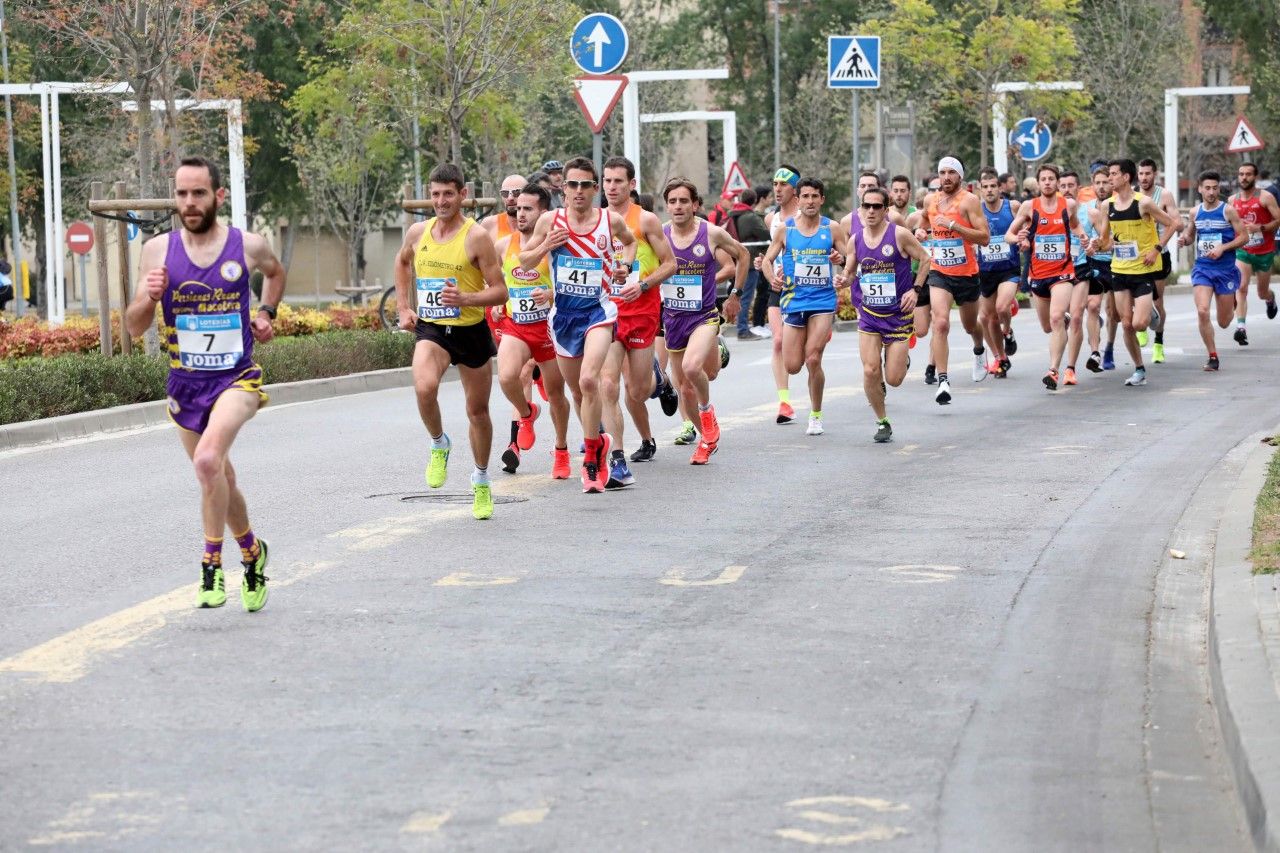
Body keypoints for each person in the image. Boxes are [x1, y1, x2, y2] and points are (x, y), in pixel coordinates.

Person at [123, 155, 285, 611]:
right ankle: (252, 553)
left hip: (236, 379)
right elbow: (134, 326)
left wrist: (266, 313)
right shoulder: (157, 251)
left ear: (218, 195)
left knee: (208, 460)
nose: (190, 202)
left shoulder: (247, 245)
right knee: (218, 475)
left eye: (198, 193)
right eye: (182, 194)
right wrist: (150, 297)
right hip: (185, 385)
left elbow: (275, 273)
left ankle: (211, 565)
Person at [393, 163, 508, 518]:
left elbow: (500, 291)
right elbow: (402, 263)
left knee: (478, 412)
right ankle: (439, 443)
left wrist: (466, 299)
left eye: (448, 194)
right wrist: (403, 307)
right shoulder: (418, 232)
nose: (441, 201)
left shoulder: (476, 237)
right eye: (435, 194)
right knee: (424, 387)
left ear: (462, 194)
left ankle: (481, 479)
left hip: (470, 330)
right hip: (432, 328)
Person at [520, 156, 637, 493]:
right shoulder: (550, 221)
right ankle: (598, 441)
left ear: (595, 188)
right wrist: (547, 245)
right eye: (572, 184)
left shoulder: (609, 220)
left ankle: (590, 460)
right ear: (564, 189)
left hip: (599, 313)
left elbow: (630, 243)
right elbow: (525, 261)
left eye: (586, 184)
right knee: (576, 391)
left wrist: (625, 266)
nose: (579, 190)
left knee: (589, 380)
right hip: (563, 318)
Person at [598, 155, 678, 484]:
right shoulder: (596, 221)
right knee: (607, 384)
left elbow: (670, 264)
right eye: (607, 181)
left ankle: (661, 381)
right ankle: (617, 458)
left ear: (631, 184)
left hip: (642, 311)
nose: (612, 187)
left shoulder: (645, 220)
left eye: (618, 181)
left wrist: (643, 285)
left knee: (638, 390)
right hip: (608, 312)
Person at [661, 178, 749, 463]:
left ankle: (707, 410)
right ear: (667, 206)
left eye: (684, 201)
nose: (678, 206)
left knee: (692, 369)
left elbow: (743, 255)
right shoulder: (660, 235)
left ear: (695, 205)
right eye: (672, 201)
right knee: (685, 389)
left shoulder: (710, 233)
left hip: (703, 316)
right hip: (673, 319)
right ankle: (706, 440)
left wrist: (735, 295)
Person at [490, 183, 573, 477]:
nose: (520, 213)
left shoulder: (559, 247)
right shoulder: (503, 245)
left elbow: (572, 287)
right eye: (518, 208)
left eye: (528, 209)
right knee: (507, 376)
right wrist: (498, 301)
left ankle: (561, 450)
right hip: (517, 326)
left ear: (544, 213)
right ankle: (527, 413)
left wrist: (549, 295)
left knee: (556, 394)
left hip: (549, 328)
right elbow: (497, 281)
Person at [841, 186, 931, 442]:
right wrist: (843, 280)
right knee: (870, 370)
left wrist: (915, 290)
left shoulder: (899, 234)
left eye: (876, 206)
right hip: (869, 314)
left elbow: (925, 259)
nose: (871, 211)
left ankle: (901, 360)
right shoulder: (855, 239)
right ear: (860, 209)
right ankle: (882, 421)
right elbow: (850, 271)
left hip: (898, 316)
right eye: (866, 206)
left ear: (885, 209)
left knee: (893, 379)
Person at [762, 176, 849, 435]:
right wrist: (773, 279)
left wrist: (841, 261)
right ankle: (810, 341)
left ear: (822, 199)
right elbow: (767, 260)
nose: (810, 201)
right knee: (792, 365)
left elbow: (850, 260)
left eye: (815, 196)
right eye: (806, 197)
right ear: (798, 200)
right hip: (794, 300)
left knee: (812, 358)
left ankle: (816, 414)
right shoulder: (785, 230)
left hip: (822, 300)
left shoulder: (832, 228)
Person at [1093, 158, 1178, 387]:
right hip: (1119, 270)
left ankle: (1150, 311)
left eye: (1113, 174)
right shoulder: (1106, 206)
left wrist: (1156, 249)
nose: (1109, 178)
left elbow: (1172, 224)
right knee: (1126, 324)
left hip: (1142, 270)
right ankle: (1139, 369)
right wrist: (1095, 245)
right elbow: (1106, 241)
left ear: (1126, 177)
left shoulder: (1144, 203)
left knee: (1140, 324)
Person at [913, 156, 991, 404]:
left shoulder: (969, 201)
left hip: (966, 274)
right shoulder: (931, 200)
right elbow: (924, 220)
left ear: (960, 176)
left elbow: (984, 238)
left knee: (970, 326)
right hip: (940, 272)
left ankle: (979, 349)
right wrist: (920, 231)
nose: (946, 177)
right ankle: (943, 381)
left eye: (951, 173)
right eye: (942, 172)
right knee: (941, 323)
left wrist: (955, 226)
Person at [1006, 164, 1087, 390]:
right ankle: (1062, 322)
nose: (1048, 182)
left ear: (1057, 183)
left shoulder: (1068, 205)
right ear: (1039, 183)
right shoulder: (1028, 207)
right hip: (1038, 274)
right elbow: (1008, 234)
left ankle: (1053, 370)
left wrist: (1084, 237)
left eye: (1052, 179)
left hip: (1063, 272)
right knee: (1047, 327)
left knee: (1056, 318)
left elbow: (1076, 226)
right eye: (1044, 179)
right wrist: (1020, 239)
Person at [1180, 171, 1249, 370]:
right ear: (1200, 189)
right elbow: (1191, 235)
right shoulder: (1195, 212)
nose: (1211, 192)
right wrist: (1185, 239)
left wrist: (1223, 248)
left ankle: (1232, 299)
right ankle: (1213, 356)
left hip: (1225, 270)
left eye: (1215, 188)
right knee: (1202, 311)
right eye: (1207, 188)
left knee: (1224, 322)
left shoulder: (1228, 211)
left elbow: (1244, 237)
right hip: (1203, 268)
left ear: (1219, 189)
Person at [759, 165, 802, 423]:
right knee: (777, 341)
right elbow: (773, 251)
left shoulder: (806, 216)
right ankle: (784, 403)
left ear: (795, 189)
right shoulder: (770, 219)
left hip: (806, 289)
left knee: (806, 353)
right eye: (775, 183)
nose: (777, 189)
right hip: (778, 286)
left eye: (783, 184)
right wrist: (764, 263)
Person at [1135, 158, 1183, 362]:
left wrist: (1157, 216)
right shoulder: (1132, 195)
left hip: (1158, 255)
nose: (1144, 177)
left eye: (1148, 173)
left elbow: (1178, 223)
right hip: (1136, 257)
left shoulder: (1164, 195)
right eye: (1141, 173)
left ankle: (1158, 343)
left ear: (1155, 174)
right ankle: (1141, 325)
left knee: (1157, 301)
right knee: (1135, 296)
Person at [975, 167, 1021, 378]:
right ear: (980, 189)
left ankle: (1008, 331)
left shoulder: (1012, 207)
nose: (989, 190)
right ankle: (1001, 358)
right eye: (985, 187)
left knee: (1002, 307)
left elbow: (1028, 225)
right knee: (988, 318)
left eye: (993, 186)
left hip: (1009, 269)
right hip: (986, 270)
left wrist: (1024, 238)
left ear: (1000, 188)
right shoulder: (976, 211)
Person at [1230, 162, 1280, 345]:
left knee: (1261, 292)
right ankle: (1241, 327)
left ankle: (1270, 298)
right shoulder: (1232, 200)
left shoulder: (1265, 197)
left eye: (1248, 174)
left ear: (1255, 177)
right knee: (1241, 287)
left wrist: (1261, 227)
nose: (1244, 177)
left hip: (1264, 251)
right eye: (1241, 174)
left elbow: (1278, 220)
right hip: (1243, 250)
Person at [732, 187, 770, 340]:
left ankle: (742, 328)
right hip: (749, 262)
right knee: (746, 297)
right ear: (754, 201)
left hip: (737, 260)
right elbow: (766, 235)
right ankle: (742, 330)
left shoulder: (734, 214)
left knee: (741, 295)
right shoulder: (750, 217)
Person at [480, 174, 526, 240]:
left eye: (517, 192)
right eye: (505, 193)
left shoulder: (537, 224)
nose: (510, 198)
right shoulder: (489, 224)